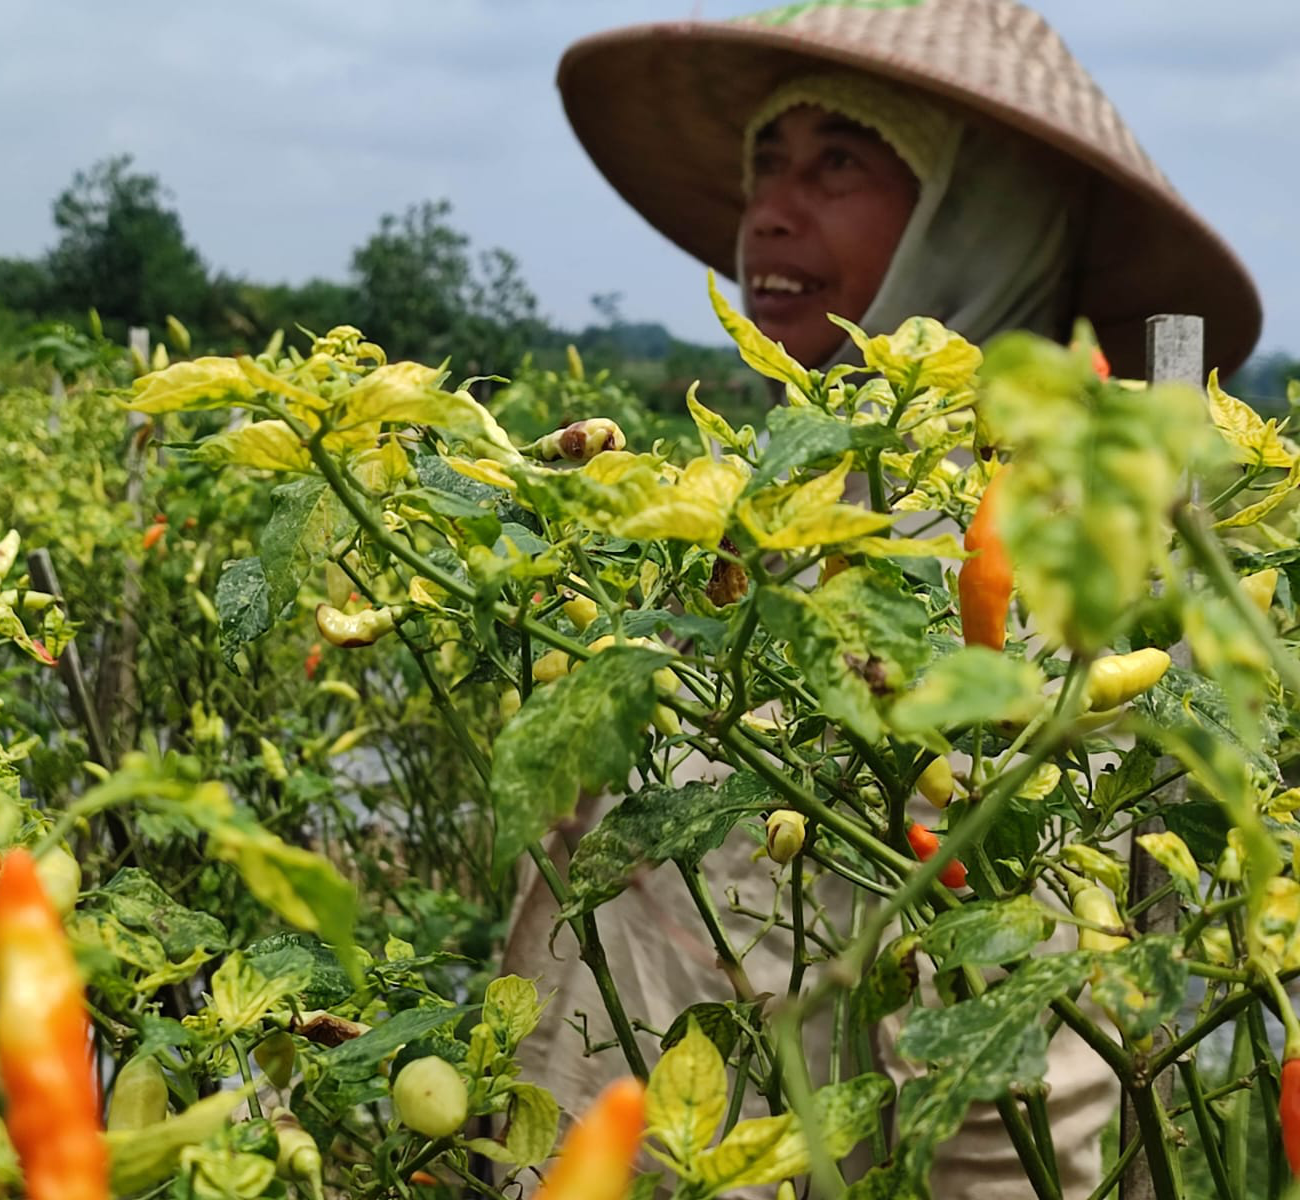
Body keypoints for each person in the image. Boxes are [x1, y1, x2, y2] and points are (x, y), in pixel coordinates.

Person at [502, 1, 1263, 1196]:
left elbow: (1029, 1057)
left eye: (839, 162)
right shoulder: (791, 479)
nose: (769, 207)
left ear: (981, 211)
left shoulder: (1062, 529)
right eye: (766, 158)